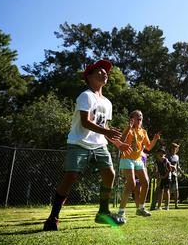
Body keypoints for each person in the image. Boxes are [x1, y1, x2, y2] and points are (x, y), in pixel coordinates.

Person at [43, 59, 131, 231]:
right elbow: (85, 122)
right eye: (99, 70)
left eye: (106, 72)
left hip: (99, 144)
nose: (104, 73)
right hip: (78, 142)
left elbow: (104, 126)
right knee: (70, 177)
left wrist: (118, 143)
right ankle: (53, 217)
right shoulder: (85, 96)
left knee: (110, 174)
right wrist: (107, 133)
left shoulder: (107, 102)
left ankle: (103, 213)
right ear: (89, 76)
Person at [116, 110, 160, 221]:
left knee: (146, 182)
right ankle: (121, 212)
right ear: (132, 119)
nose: (140, 117)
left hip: (138, 159)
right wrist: (128, 127)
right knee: (131, 183)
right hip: (127, 159)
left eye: (141, 116)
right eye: (137, 116)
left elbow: (149, 147)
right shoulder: (129, 129)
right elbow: (120, 140)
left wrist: (155, 139)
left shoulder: (143, 132)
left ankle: (140, 208)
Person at [167, 143, 183, 209]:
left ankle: (176, 205)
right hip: (168, 175)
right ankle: (167, 205)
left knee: (176, 190)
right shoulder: (167, 156)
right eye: (173, 148)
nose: (174, 149)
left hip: (175, 175)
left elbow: (178, 166)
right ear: (171, 148)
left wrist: (182, 172)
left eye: (175, 148)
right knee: (167, 190)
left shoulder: (177, 157)